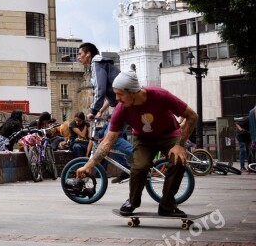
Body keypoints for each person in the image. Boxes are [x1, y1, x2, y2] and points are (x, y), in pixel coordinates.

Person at [76, 70, 198, 218]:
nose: (117, 98)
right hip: (143, 139)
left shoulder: (160, 95)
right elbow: (108, 141)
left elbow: (192, 116)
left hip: (169, 135)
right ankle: (132, 202)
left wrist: (180, 144)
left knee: (179, 162)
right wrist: (88, 166)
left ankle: (167, 205)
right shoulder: (121, 109)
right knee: (139, 167)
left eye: (120, 94)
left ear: (132, 92)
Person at [77, 41, 133, 181]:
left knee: (111, 139)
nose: (78, 57)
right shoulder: (102, 64)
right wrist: (100, 110)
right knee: (112, 137)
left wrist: (93, 110)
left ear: (88, 54)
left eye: (80, 54)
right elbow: (110, 94)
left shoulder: (96, 63)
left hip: (125, 104)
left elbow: (100, 90)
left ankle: (141, 157)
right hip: (124, 104)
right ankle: (127, 170)